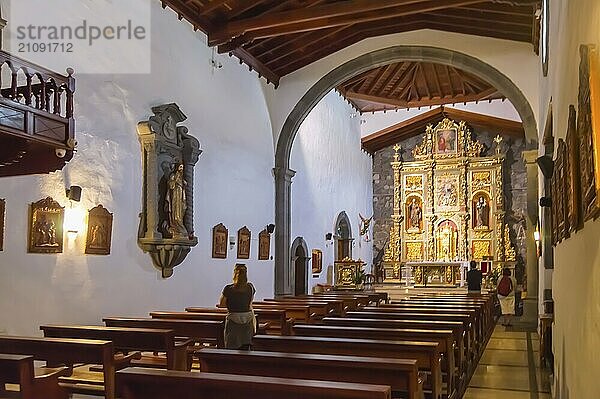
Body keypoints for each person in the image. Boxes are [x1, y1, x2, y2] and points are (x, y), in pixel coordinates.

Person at [219, 264, 256, 349]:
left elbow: (222, 304)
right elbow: (250, 301)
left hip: (233, 319)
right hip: (247, 318)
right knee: (246, 344)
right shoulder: (250, 287)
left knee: (232, 344)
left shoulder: (228, 288)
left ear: (234, 274)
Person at [165, 163, 188, 238]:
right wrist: (175, 182)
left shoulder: (181, 177)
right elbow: (170, 185)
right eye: (180, 167)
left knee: (182, 209)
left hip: (181, 195)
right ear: (177, 167)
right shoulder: (173, 175)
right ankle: (175, 224)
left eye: (182, 167)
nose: (181, 169)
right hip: (175, 195)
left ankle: (180, 225)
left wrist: (183, 184)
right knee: (175, 211)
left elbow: (184, 185)